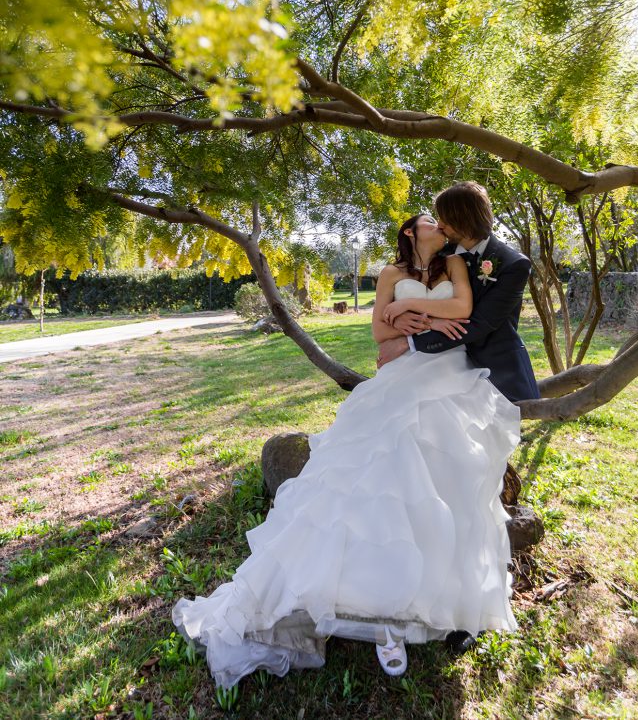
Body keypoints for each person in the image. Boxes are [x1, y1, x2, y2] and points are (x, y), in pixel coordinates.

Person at [172, 213, 521, 688]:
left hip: (449, 374)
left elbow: (461, 311)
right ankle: (381, 615)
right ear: (409, 233)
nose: (439, 226)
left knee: (445, 477)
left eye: (442, 221)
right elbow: (379, 336)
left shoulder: (455, 265)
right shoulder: (391, 275)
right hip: (400, 377)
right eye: (428, 221)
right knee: (376, 478)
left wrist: (406, 320)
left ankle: (440, 603)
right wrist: (392, 319)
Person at [376, 182, 541, 405]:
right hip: (431, 365)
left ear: (463, 218)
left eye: (444, 218)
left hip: (491, 365)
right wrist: (402, 318)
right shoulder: (441, 252)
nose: (440, 225)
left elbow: (480, 323)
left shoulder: (513, 264)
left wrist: (409, 342)